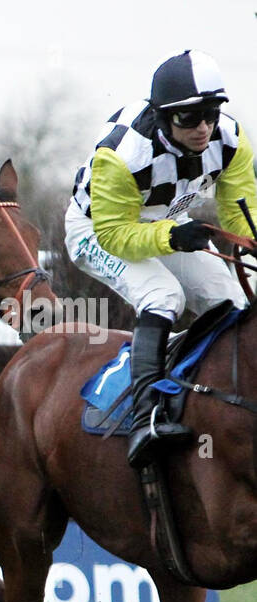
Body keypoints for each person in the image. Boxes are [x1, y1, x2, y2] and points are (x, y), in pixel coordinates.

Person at [66, 49, 254, 468]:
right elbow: (115, 232)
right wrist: (173, 235)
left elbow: (243, 215)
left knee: (231, 301)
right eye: (189, 118)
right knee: (163, 295)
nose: (204, 127)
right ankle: (145, 415)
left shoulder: (231, 139)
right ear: (163, 115)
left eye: (210, 113)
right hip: (97, 230)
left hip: (166, 221)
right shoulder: (122, 154)